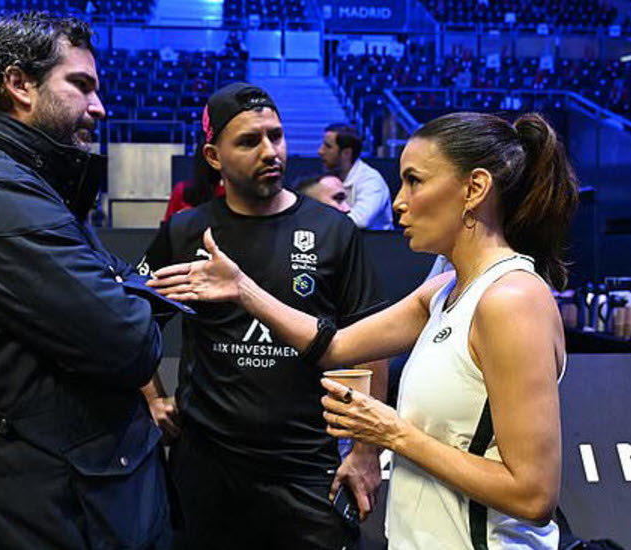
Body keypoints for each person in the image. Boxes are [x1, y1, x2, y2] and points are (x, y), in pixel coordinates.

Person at [148, 111, 579, 549]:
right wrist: (243, 289)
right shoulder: (444, 290)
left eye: (414, 181)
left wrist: (391, 433)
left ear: (475, 188)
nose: (398, 202)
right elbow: (334, 346)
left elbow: (532, 493)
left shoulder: (512, 299)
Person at [0, 13, 180, 549]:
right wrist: (127, 292)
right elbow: (130, 341)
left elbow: (113, 292)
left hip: (67, 494)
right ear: (19, 84)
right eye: (81, 85)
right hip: (49, 508)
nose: (99, 107)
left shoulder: (16, 180)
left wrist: (119, 286)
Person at [137, 82, 389, 550]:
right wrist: (152, 398)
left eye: (276, 135)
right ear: (214, 157)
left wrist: (366, 450)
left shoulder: (332, 231)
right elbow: (130, 322)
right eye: (250, 141)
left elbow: (369, 346)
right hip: (206, 470)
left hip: (306, 468)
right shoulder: (186, 230)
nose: (270, 151)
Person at [318, 123, 393, 230]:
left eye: (328, 146)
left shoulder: (371, 180)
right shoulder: (330, 177)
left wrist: (318, 222)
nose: (320, 151)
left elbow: (360, 220)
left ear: (346, 153)